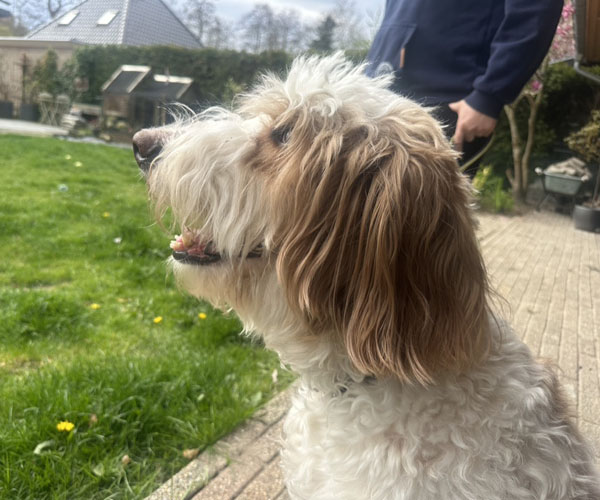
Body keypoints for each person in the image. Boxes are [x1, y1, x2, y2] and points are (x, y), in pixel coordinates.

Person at [367, 0, 563, 179]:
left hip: (446, 100)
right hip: (379, 88)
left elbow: (537, 7)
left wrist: (488, 95)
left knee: (413, 203)